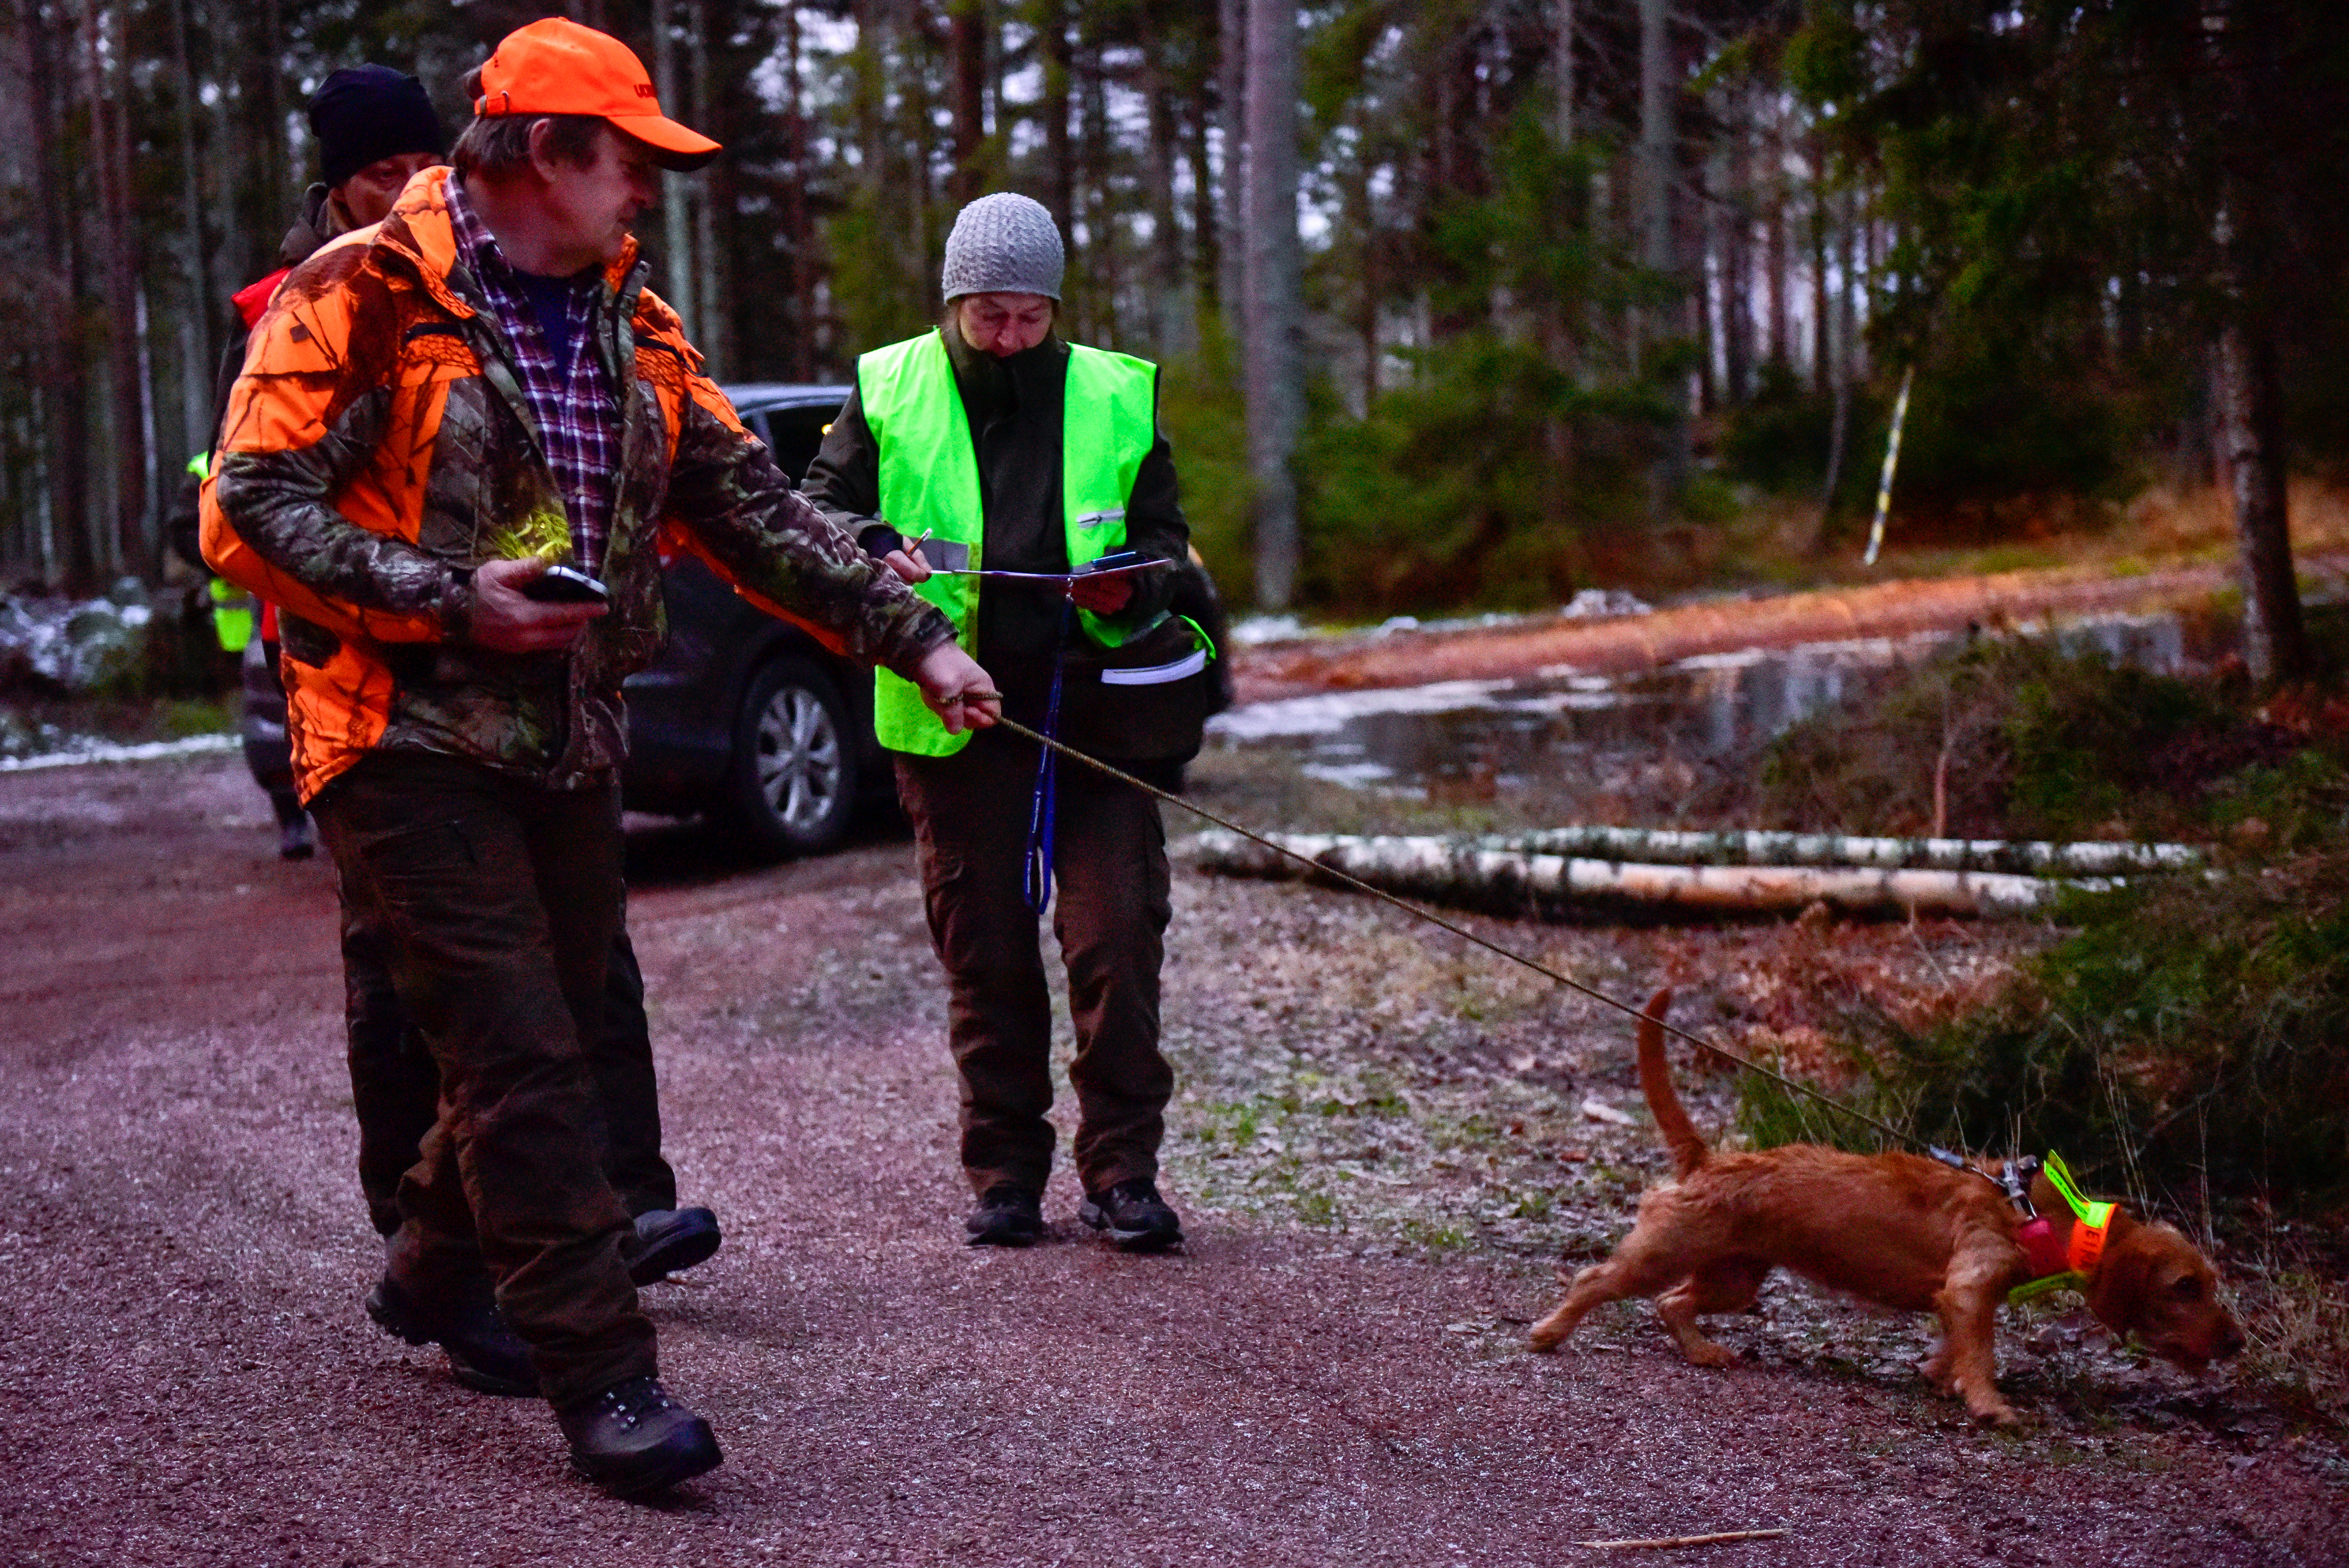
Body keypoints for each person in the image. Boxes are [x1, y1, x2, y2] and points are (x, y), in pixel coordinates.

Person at [202, 17, 998, 1499]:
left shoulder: (637, 318)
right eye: (626, 162)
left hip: (569, 731)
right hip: (395, 732)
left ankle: (432, 1273)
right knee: (517, 1052)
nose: (642, 192)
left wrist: (918, 639)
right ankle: (605, 1379)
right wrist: (446, 598)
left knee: (553, 1020)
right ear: (548, 156)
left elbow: (752, 511)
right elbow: (246, 506)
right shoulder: (357, 291)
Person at [803, 192, 1214, 1255]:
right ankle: (1006, 1173)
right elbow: (817, 511)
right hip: (953, 708)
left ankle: (1123, 1173)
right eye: (989, 314)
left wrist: (1134, 586)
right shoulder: (887, 384)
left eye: (1031, 315)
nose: (1011, 335)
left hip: (1097, 715)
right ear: (954, 302)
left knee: (1117, 936)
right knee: (984, 947)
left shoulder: (1120, 392)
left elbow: (1166, 538)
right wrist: (870, 542)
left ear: (1055, 306)